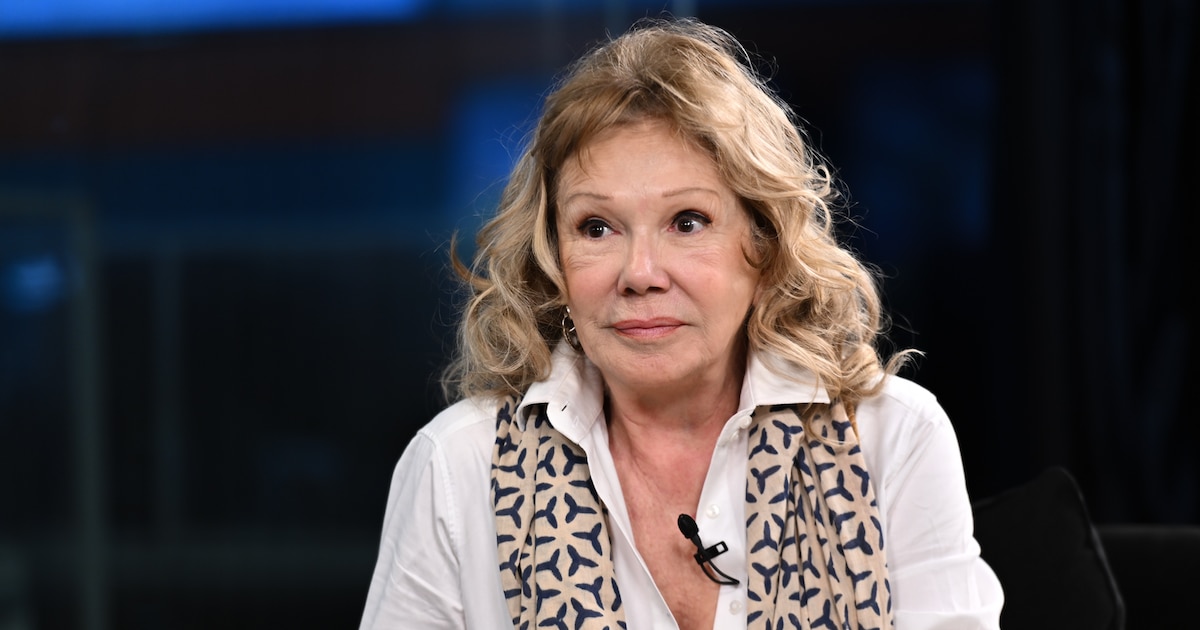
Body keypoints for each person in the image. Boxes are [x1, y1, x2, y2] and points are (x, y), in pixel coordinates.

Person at [359, 16, 1003, 630]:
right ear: (552, 261)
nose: (640, 273)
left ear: (764, 246)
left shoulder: (892, 439)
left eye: (687, 222)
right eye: (596, 228)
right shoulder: (456, 466)